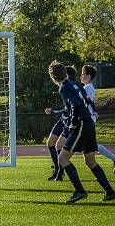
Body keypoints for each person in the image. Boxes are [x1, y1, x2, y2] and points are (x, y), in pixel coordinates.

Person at [48, 60, 115, 203]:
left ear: (53, 77)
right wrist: (94, 111)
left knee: (62, 159)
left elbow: (75, 104)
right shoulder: (75, 84)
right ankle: (109, 191)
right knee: (90, 161)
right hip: (89, 123)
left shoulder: (64, 88)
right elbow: (87, 99)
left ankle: (80, 191)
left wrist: (72, 123)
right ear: (65, 73)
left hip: (82, 124)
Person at [44, 66, 77, 181]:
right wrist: (54, 110)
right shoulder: (63, 87)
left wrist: (54, 110)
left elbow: (70, 107)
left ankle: (60, 171)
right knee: (50, 143)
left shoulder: (68, 87)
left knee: (59, 146)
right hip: (63, 119)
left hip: (69, 120)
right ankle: (58, 169)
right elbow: (66, 106)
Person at [80, 65, 115, 174]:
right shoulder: (86, 88)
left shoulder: (89, 88)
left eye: (83, 74)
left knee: (88, 145)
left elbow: (86, 103)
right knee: (93, 145)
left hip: (87, 120)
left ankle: (60, 163)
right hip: (87, 119)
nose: (81, 76)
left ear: (89, 76)